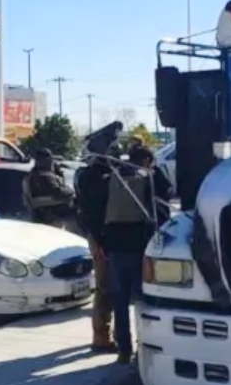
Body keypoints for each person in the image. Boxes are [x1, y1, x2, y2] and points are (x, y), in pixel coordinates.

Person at [102, 144, 172, 364]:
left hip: (115, 246)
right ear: (147, 161)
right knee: (144, 300)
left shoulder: (112, 177)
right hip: (141, 245)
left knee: (120, 301)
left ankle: (124, 350)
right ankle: (145, 346)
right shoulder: (149, 177)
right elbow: (167, 194)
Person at [75, 146, 117, 353]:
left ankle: (105, 336)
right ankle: (102, 337)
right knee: (106, 288)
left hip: (100, 238)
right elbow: (93, 212)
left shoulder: (86, 176)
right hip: (103, 239)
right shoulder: (97, 179)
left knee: (107, 288)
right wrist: (99, 240)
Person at [23, 148, 76, 227]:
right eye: (51, 160)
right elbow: (59, 192)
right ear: (45, 161)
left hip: (42, 217)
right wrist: (71, 191)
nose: (52, 163)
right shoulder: (44, 176)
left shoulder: (33, 175)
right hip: (50, 218)